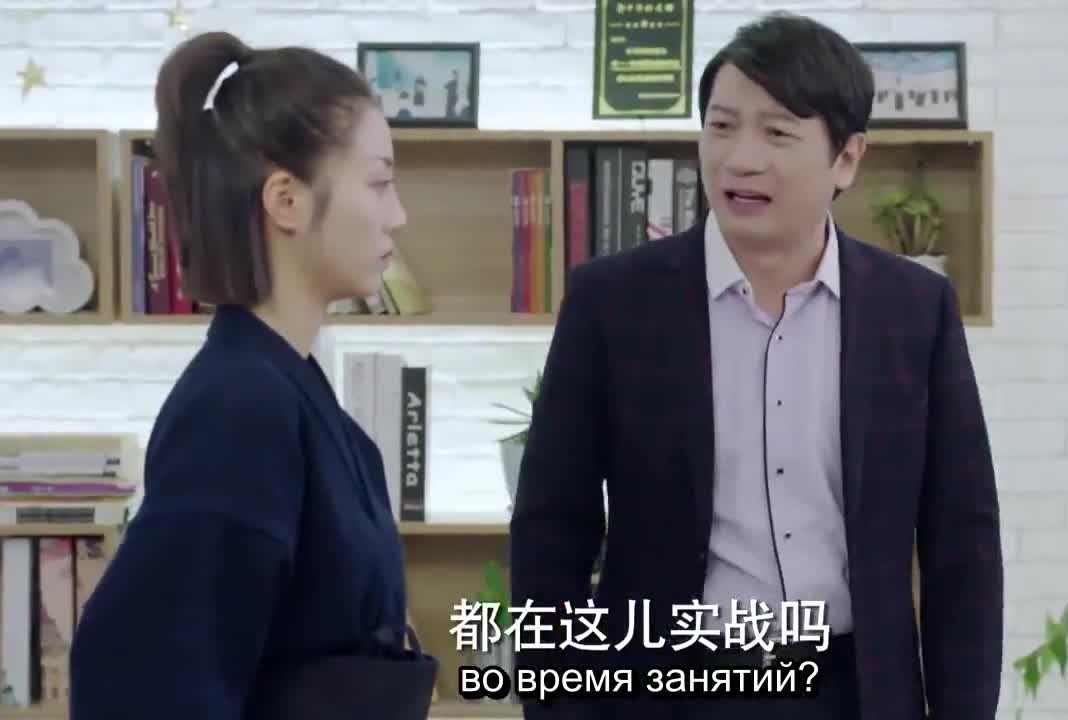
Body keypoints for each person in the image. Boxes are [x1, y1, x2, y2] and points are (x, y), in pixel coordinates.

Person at [509, 11, 1002, 720]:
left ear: (846, 158)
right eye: (721, 126)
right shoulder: (612, 303)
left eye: (776, 133)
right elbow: (552, 531)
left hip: (854, 692)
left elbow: (963, 541)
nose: (740, 159)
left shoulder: (914, 310)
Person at [68, 31, 436, 720]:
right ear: (286, 200)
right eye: (379, 182)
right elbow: (148, 683)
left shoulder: (295, 395)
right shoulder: (239, 408)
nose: (398, 214)